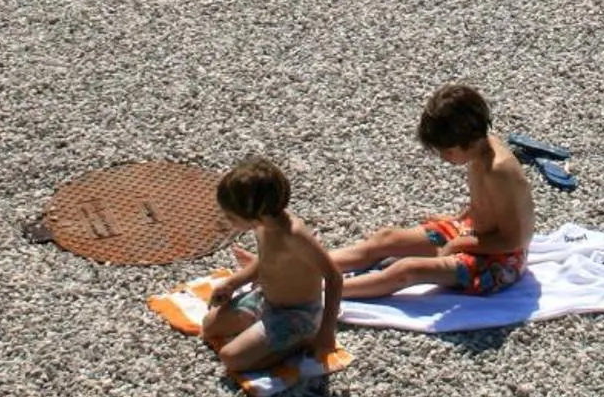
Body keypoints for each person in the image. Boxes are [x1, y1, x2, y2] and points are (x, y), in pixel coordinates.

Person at [328, 84, 533, 300]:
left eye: (448, 151)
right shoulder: (481, 148)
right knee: (386, 238)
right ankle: (308, 267)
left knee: (408, 270)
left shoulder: (499, 171)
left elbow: (514, 240)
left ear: (469, 140)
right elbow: (486, 203)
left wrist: (456, 244)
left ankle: (321, 293)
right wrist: (458, 219)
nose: (444, 157)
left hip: (502, 259)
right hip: (473, 232)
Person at [201, 157, 342, 377]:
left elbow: (334, 278)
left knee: (231, 358)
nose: (227, 221)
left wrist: (326, 331)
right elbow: (265, 260)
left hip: (296, 314)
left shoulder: (295, 236)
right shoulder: (262, 226)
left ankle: (303, 338)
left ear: (255, 212)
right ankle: (264, 333)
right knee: (209, 326)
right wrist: (233, 282)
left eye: (231, 216)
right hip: (266, 299)